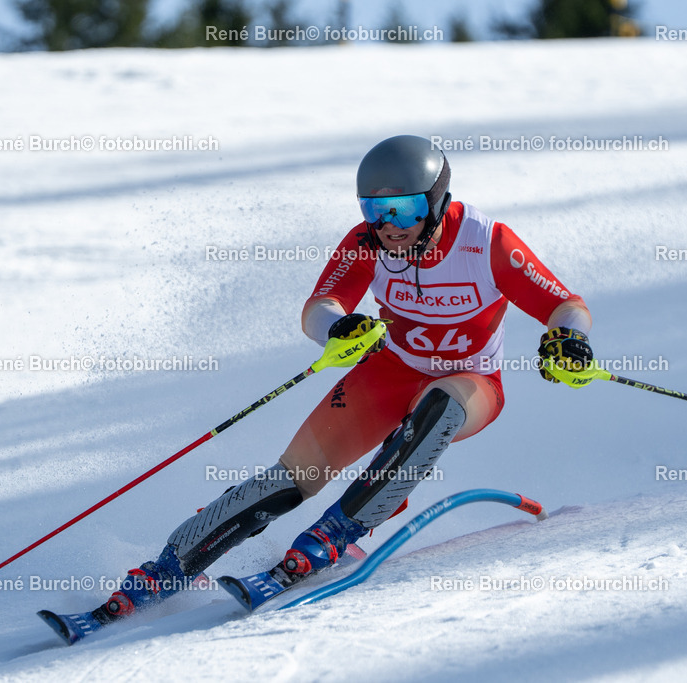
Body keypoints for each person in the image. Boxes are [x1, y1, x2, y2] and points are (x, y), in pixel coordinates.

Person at [76, 134, 594, 625]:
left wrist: (570, 339)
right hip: (389, 373)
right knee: (292, 477)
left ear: (437, 201)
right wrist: (337, 326)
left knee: (437, 407)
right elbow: (318, 308)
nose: (390, 226)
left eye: (406, 210)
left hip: (471, 381)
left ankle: (334, 535)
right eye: (375, 211)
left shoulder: (486, 241)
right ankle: (168, 567)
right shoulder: (368, 243)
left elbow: (565, 304)